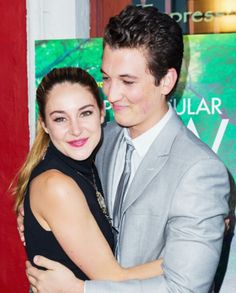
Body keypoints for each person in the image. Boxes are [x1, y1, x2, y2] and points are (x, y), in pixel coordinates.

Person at [19, 5, 229, 293]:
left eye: (127, 81)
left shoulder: (200, 172)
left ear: (166, 81)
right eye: (106, 77)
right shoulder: (97, 140)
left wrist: (81, 290)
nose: (111, 94)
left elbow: (186, 289)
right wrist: (35, 216)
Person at [13, 66, 164, 288]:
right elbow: (114, 279)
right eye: (60, 119)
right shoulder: (56, 186)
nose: (76, 129)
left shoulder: (87, 166)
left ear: (102, 113)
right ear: (44, 124)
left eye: (85, 113)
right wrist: (195, 251)